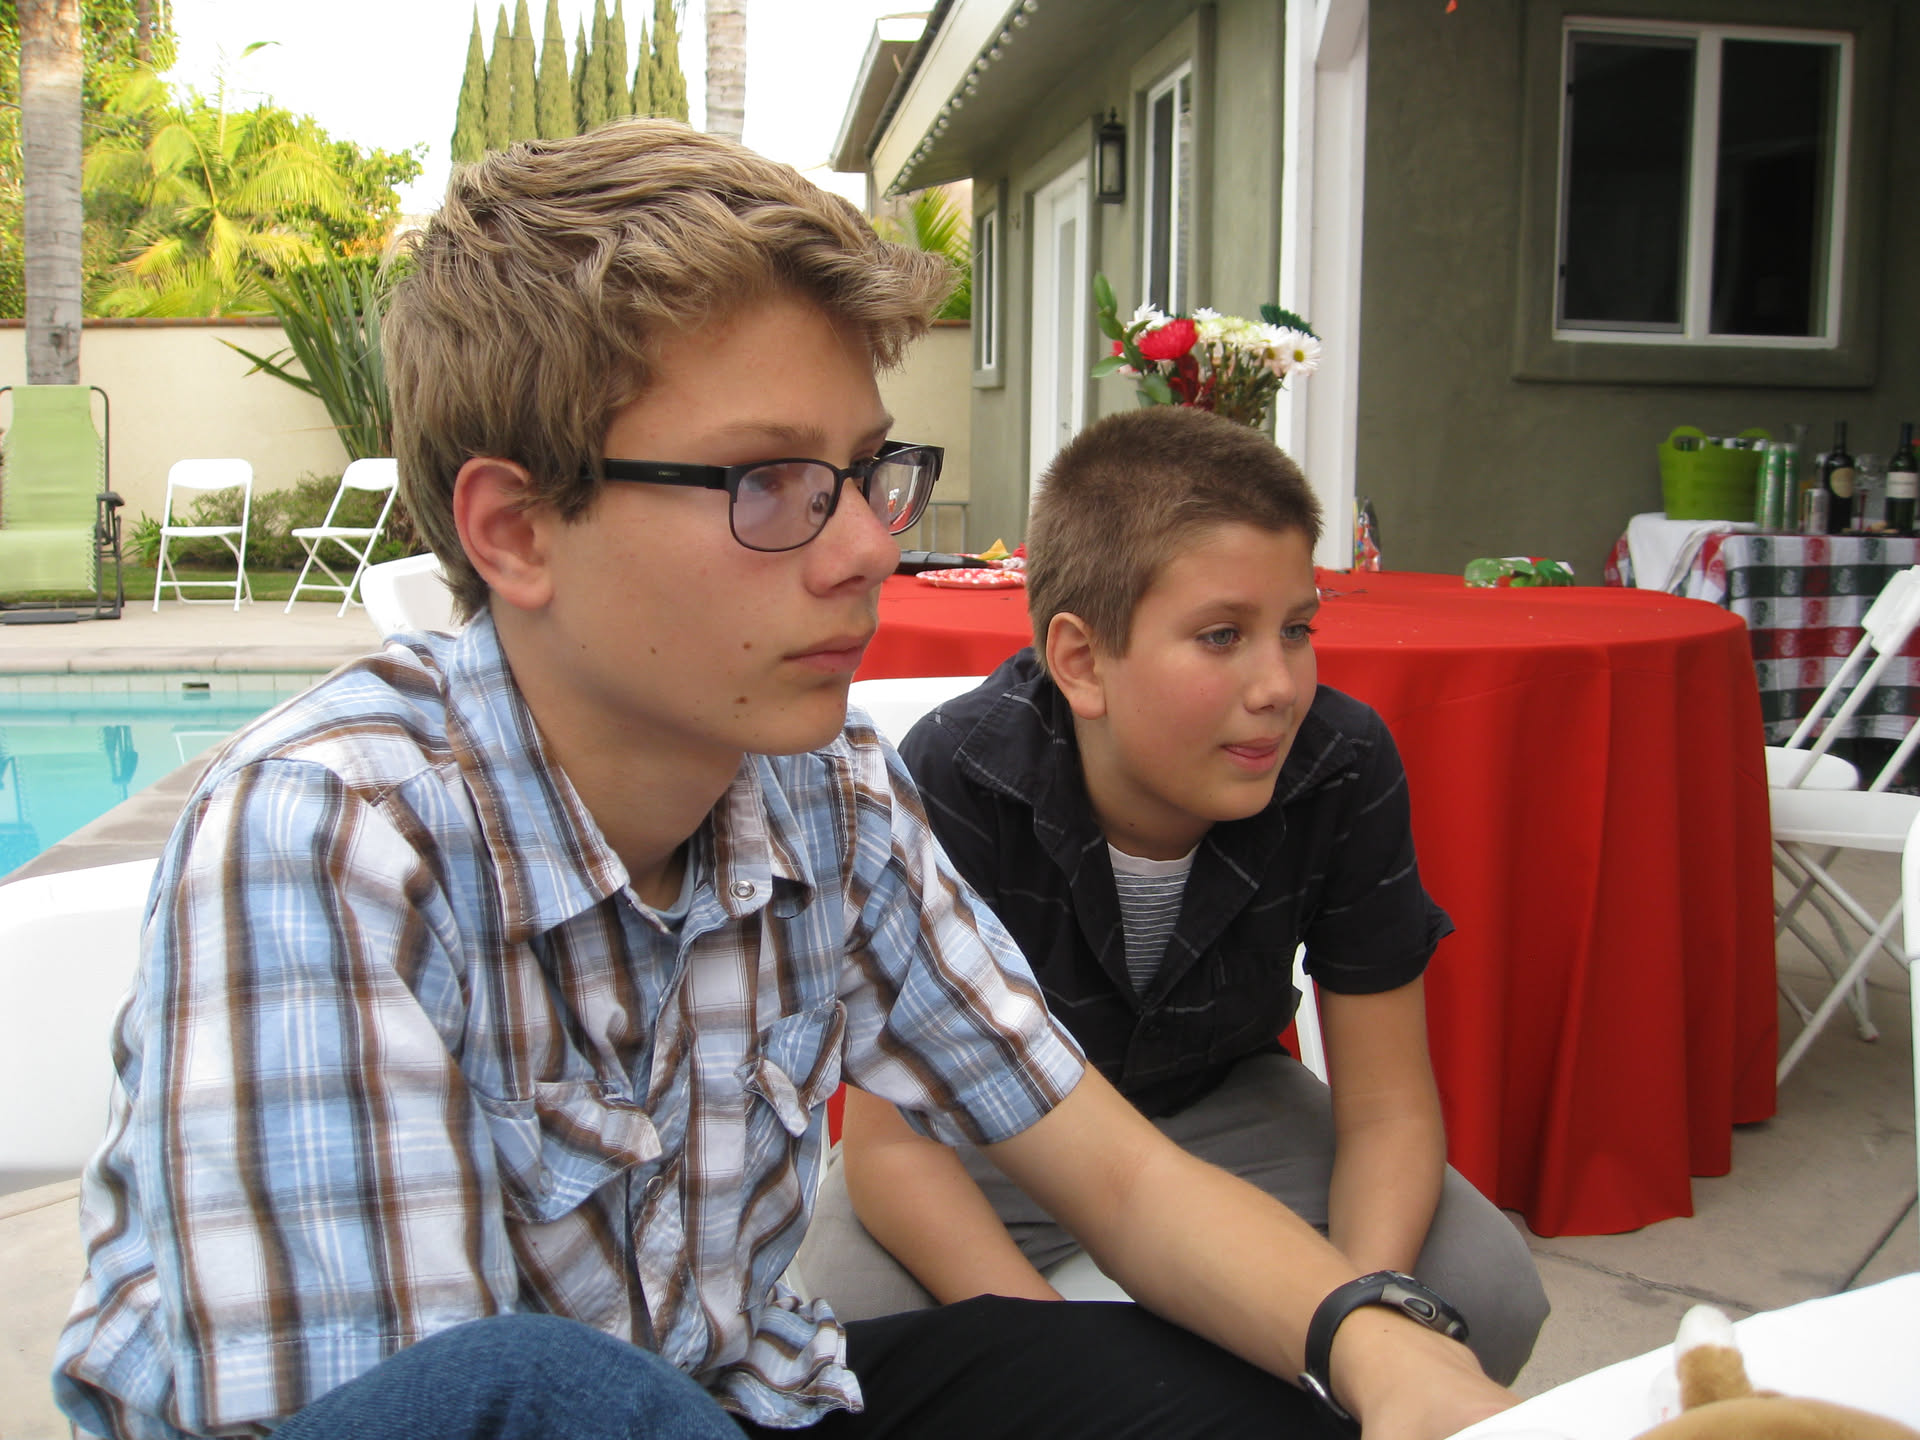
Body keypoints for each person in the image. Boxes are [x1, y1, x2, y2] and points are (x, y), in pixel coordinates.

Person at [52, 122, 1515, 1440]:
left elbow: (1118, 1176)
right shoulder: (335, 839)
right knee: (546, 1385)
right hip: (499, 1415)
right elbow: (453, 1411)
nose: (872, 545)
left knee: (1228, 1401)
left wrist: (1374, 1342)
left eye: (867, 470)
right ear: (517, 531)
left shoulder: (826, 792)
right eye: (767, 480)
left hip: (735, 1392)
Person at [798, 405, 1550, 1385]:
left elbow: (1388, 1111)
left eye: (1297, 629)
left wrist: (1359, 1327)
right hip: (994, 1137)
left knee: (1483, 1286)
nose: (1278, 686)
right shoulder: (964, 774)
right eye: (1222, 635)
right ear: (1082, 662)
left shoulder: (1343, 765)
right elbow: (893, 1155)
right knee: (856, 1343)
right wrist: (1064, 1373)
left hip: (1225, 1101)